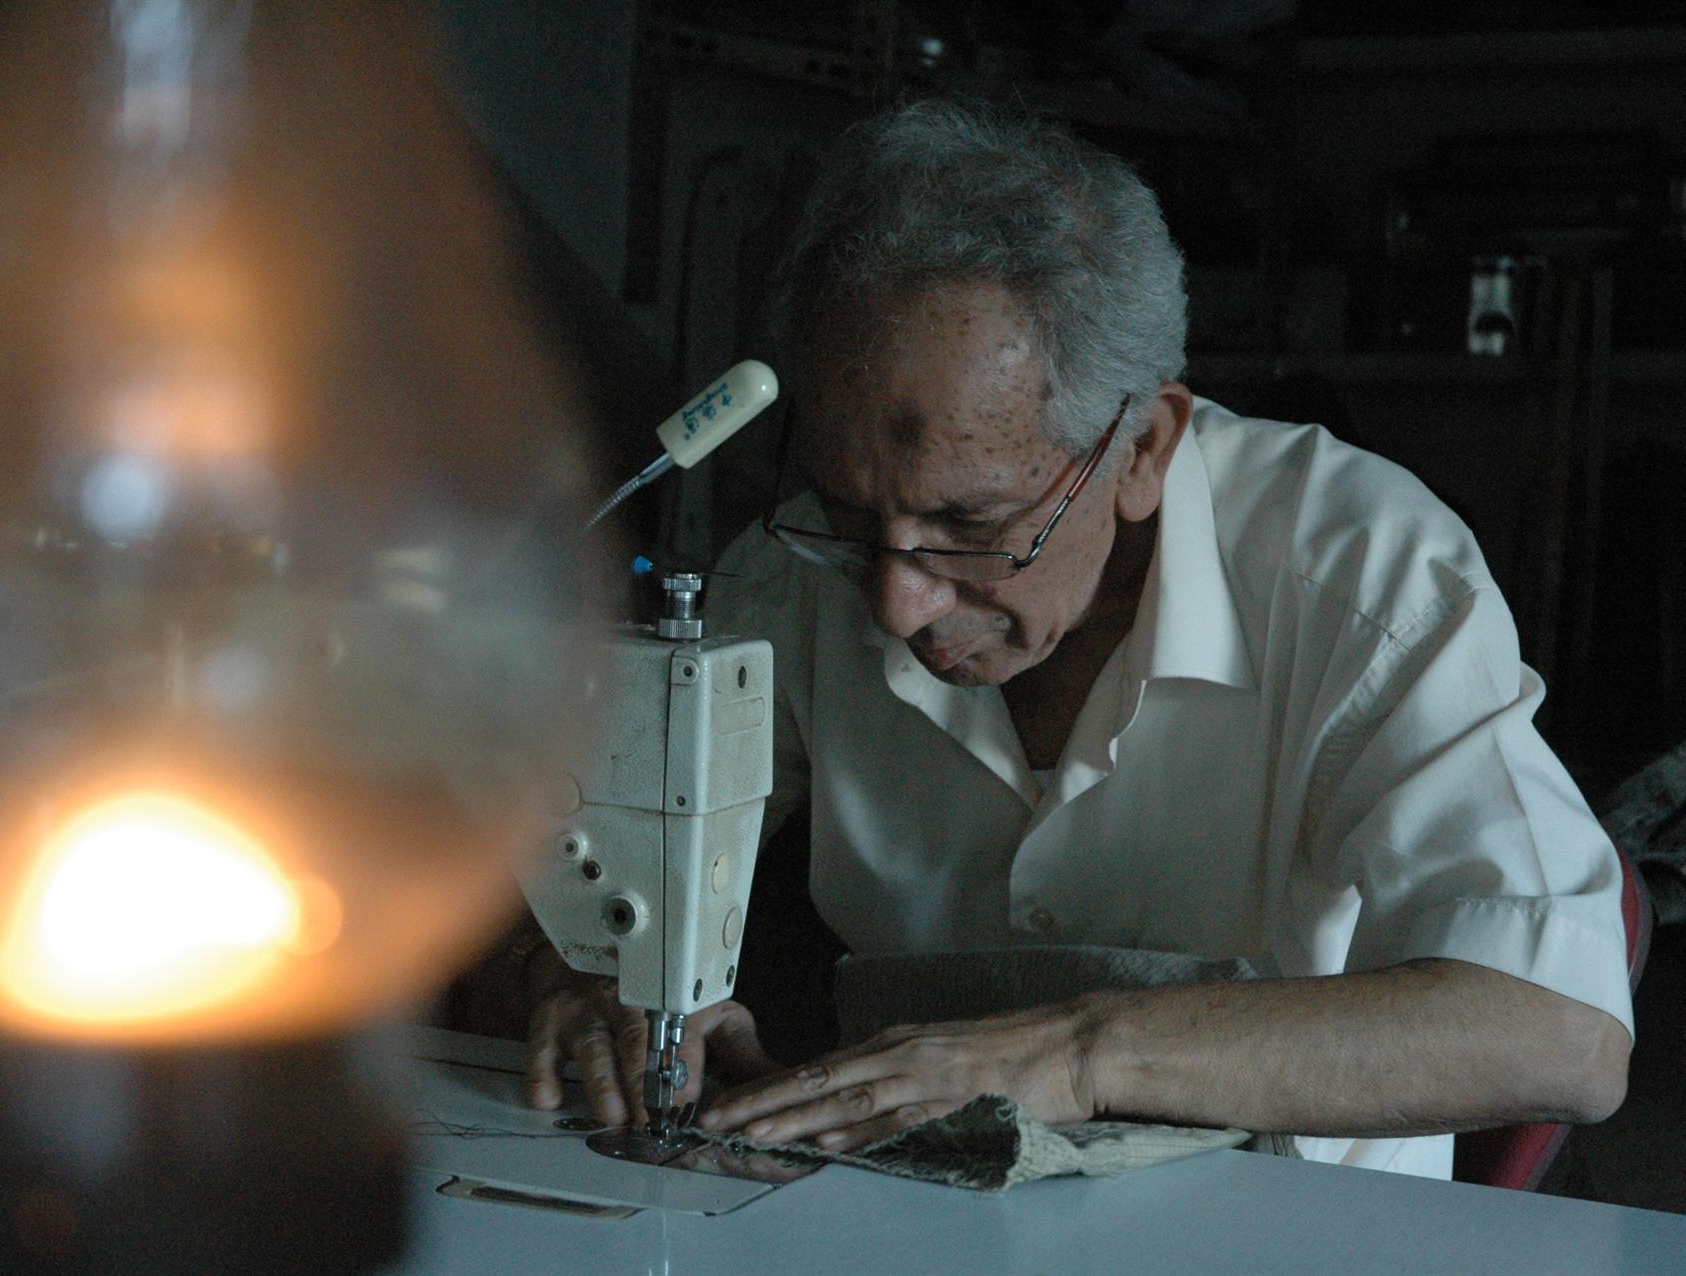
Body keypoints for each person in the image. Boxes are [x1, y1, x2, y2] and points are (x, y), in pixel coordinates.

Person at [518, 100, 1633, 1178]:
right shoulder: (796, 570)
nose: (896, 604)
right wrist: (590, 970)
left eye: (973, 527)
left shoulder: (1358, 574)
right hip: (917, 1212)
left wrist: (1081, 1049)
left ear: (1142, 448)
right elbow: (568, 870)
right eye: (856, 518)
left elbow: (1564, 1033)